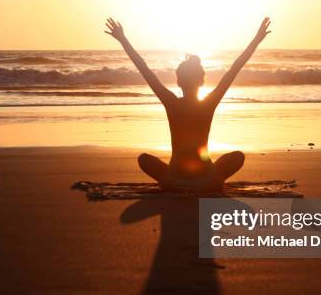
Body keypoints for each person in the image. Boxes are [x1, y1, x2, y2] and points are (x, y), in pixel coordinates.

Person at [104, 16, 271, 191]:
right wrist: (256, 40)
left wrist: (123, 39)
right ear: (202, 81)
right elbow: (234, 69)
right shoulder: (208, 104)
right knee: (237, 157)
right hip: (207, 180)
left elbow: (144, 69)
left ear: (178, 82)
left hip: (175, 180)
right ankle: (212, 179)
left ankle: (175, 181)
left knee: (144, 159)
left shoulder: (171, 103)